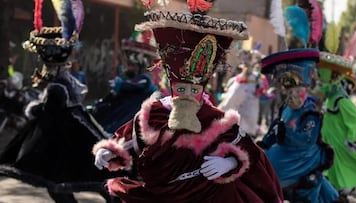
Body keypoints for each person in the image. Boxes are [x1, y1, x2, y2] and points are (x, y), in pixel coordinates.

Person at [92, 2, 283, 203]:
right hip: (158, 195)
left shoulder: (215, 118)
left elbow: (250, 153)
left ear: (203, 89)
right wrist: (108, 151)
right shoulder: (154, 114)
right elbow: (126, 140)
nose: (188, 95)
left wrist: (229, 163)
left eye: (195, 90)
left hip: (206, 196)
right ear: (172, 87)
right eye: (181, 90)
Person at [0, 1, 123, 202]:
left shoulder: (58, 86)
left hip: (61, 139)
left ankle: (112, 193)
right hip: (63, 135)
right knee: (62, 182)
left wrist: (33, 108)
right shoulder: (62, 82)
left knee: (65, 179)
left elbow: (47, 108)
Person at [257, 48, 340, 203]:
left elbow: (306, 139)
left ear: (306, 90)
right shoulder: (286, 107)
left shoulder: (312, 112)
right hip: (286, 155)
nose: (292, 96)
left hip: (303, 158)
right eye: (289, 92)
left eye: (297, 91)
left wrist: (284, 132)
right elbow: (275, 129)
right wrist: (265, 144)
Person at [89, 31, 159, 134]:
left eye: (130, 61)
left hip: (127, 119)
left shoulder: (144, 79)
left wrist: (121, 85)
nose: (125, 64)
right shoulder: (134, 79)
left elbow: (137, 86)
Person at [316, 51, 356, 198]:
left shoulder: (342, 101)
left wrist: (351, 138)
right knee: (332, 167)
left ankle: (340, 192)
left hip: (340, 143)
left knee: (343, 165)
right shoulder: (330, 98)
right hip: (329, 141)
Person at [218, 49, 266, 138]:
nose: (248, 67)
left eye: (250, 64)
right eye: (246, 64)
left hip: (250, 111)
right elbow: (230, 99)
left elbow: (262, 90)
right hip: (237, 114)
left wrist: (259, 92)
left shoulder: (257, 79)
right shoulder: (236, 80)